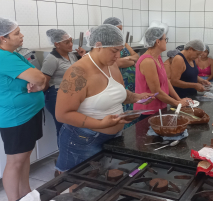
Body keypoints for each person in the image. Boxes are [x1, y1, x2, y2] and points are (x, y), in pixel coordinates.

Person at [55, 24, 154, 173]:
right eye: (114, 51)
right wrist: (101, 123)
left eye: (120, 51)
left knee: (105, 184)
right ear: (99, 46)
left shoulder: (112, 65)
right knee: (81, 188)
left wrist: (137, 97)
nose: (118, 56)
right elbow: (62, 114)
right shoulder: (78, 72)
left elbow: (118, 94)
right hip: (83, 140)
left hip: (114, 137)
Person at [0, 16, 46, 201]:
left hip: (29, 114)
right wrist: (37, 81)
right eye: (17, 33)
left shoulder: (12, 54)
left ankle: (26, 194)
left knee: (25, 158)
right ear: (3, 38)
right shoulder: (1, 57)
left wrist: (37, 82)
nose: (22, 35)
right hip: (18, 118)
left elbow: (39, 78)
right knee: (15, 162)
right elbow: (39, 77)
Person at [134, 27, 190, 120]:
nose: (166, 42)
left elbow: (166, 81)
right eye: (165, 39)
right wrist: (176, 103)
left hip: (160, 108)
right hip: (147, 111)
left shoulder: (157, 57)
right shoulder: (148, 61)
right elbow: (156, 91)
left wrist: (179, 100)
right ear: (158, 42)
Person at [41, 29, 86, 139]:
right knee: (63, 127)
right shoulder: (52, 59)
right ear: (57, 44)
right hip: (56, 95)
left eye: (71, 41)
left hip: (71, 94)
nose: (71, 44)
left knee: (73, 126)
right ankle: (64, 154)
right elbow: (43, 82)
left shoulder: (71, 55)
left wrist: (83, 56)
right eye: (67, 42)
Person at [103, 17, 140, 128]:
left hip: (131, 85)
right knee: (121, 109)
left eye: (121, 29)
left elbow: (136, 56)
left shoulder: (123, 42)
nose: (120, 31)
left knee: (131, 110)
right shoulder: (105, 46)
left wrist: (127, 59)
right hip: (119, 81)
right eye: (118, 28)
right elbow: (117, 63)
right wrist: (130, 60)